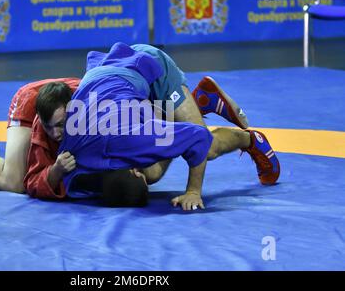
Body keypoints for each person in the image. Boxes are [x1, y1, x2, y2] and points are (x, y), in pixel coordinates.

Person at [31, 42, 280, 210]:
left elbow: (197, 139)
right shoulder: (75, 154)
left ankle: (250, 139)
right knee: (152, 172)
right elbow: (45, 182)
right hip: (116, 81)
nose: (55, 134)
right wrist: (55, 172)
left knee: (208, 147)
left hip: (149, 68)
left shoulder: (136, 139)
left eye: (60, 125)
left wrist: (193, 191)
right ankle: (194, 104)